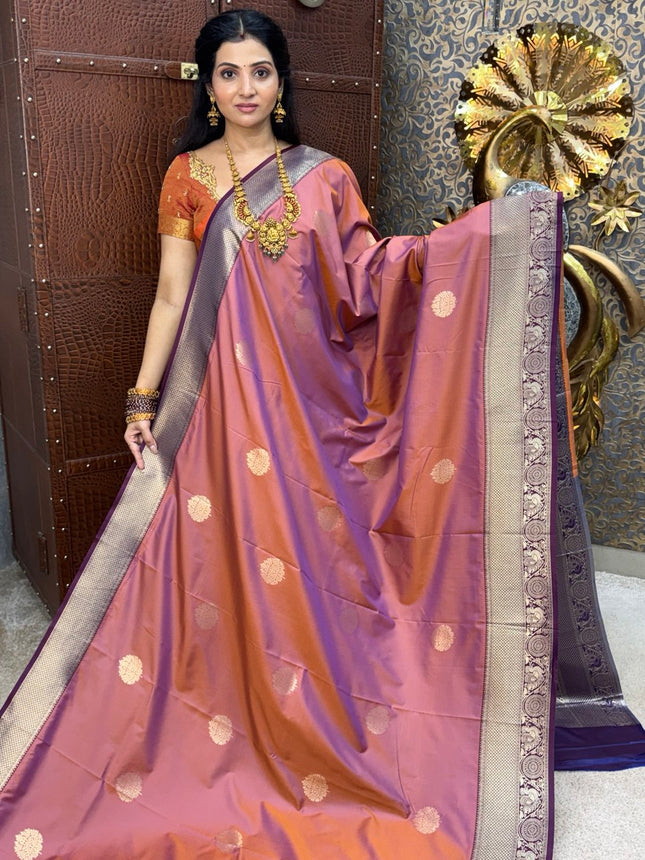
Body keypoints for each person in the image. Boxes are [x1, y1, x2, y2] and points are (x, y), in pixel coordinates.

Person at [0, 10, 643, 860]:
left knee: (318, 563)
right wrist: (142, 398)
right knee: (227, 564)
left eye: (259, 71)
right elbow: (171, 295)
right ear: (208, 85)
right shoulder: (187, 176)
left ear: (281, 81)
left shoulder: (326, 176)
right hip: (224, 408)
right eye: (228, 73)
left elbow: (372, 279)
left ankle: (325, 711)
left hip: (314, 405)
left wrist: (491, 237)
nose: (244, 88)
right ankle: (236, 712)